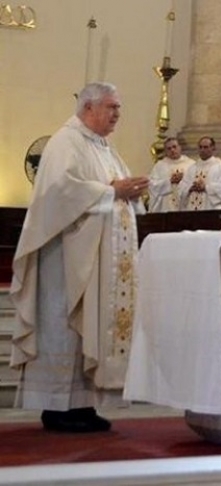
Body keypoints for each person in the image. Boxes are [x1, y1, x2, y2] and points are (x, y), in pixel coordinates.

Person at [10, 82, 149, 433]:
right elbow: (59, 192)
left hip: (97, 263)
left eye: (118, 107)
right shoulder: (65, 142)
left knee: (90, 330)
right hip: (65, 262)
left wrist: (129, 192)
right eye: (111, 107)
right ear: (89, 107)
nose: (117, 114)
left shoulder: (104, 147)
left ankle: (83, 404)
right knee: (64, 329)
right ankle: (56, 407)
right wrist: (111, 191)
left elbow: (114, 190)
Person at [178, 136, 221, 210]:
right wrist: (191, 187)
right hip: (192, 208)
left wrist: (206, 187)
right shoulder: (192, 168)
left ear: (213, 148)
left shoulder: (220, 167)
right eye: (200, 147)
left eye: (206, 147)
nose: (202, 150)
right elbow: (182, 186)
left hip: (211, 208)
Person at [147, 137, 195, 212]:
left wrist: (184, 179)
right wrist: (169, 181)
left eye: (174, 147)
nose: (172, 150)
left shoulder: (191, 164)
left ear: (180, 147)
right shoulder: (160, 166)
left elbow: (196, 182)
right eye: (169, 148)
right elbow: (152, 186)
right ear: (165, 151)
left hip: (187, 205)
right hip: (166, 207)